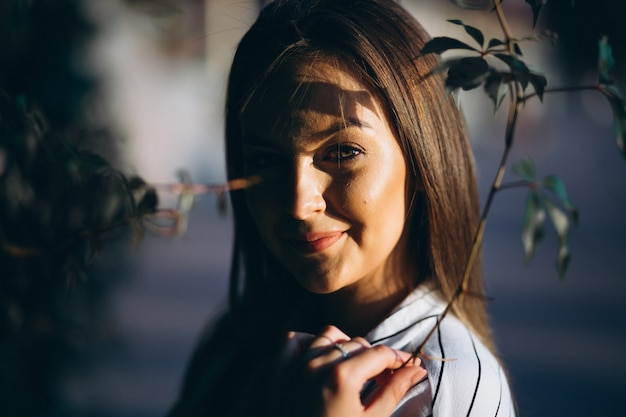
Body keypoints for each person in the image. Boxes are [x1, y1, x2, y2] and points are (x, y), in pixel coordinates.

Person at [168, 0, 516, 416]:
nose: (299, 204)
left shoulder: (444, 386)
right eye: (264, 160)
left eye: (343, 152)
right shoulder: (234, 341)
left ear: (423, 155)